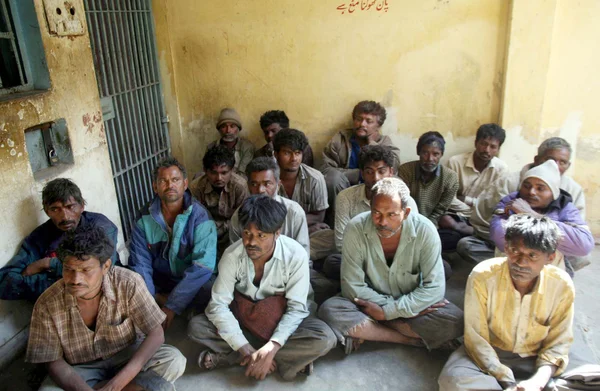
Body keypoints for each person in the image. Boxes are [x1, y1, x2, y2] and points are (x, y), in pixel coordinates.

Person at [188, 195, 336, 380]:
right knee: (197, 327)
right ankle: (278, 359)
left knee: (324, 337)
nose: (251, 242)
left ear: (277, 232)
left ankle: (232, 358)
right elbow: (218, 305)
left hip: (282, 321)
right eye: (247, 233)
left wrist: (272, 347)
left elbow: (297, 309)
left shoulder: (295, 255)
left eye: (261, 235)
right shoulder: (232, 256)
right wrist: (245, 348)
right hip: (246, 320)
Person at [439, 214, 589, 391]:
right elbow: (476, 337)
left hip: (539, 356)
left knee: (591, 378)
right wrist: (507, 380)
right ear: (506, 248)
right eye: (514, 251)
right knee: (455, 381)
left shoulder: (561, 284)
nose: (521, 262)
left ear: (550, 257)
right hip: (491, 354)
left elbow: (559, 342)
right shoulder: (483, 276)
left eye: (532, 255)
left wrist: (538, 381)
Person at [27, 226, 186, 391]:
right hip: (81, 368)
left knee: (173, 360)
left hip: (126, 354)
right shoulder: (47, 303)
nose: (75, 279)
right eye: (69, 269)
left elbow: (156, 333)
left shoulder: (128, 282)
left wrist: (116, 384)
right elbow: (53, 361)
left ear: (105, 266)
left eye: (85, 270)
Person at [318, 178, 463, 354]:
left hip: (395, 302)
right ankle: (408, 339)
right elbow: (352, 287)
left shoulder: (425, 231)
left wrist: (386, 312)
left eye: (391, 215)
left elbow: (434, 288)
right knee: (330, 310)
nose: (382, 222)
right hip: (375, 301)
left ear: (406, 212)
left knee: (457, 321)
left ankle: (371, 329)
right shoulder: (356, 228)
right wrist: (393, 310)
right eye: (376, 213)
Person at [459, 137, 587, 266]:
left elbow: (580, 238)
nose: (531, 192)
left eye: (562, 162)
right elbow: (495, 227)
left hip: (551, 249)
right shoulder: (510, 184)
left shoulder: (571, 194)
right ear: (537, 159)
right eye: (550, 160)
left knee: (581, 256)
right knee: (468, 246)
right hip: (510, 247)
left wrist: (532, 215)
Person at [129, 157, 217, 330]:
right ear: (155, 187)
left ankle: (177, 306)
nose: (170, 186)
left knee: (210, 287)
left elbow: (202, 267)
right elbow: (141, 264)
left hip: (190, 281)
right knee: (132, 278)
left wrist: (170, 306)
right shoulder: (144, 218)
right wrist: (150, 302)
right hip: (161, 280)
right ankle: (167, 303)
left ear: (185, 184)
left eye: (175, 180)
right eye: (163, 181)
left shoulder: (200, 217)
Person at [0, 178, 119, 301]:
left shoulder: (101, 226)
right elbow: (5, 283)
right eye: (55, 209)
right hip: (57, 304)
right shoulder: (40, 236)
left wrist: (46, 264)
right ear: (47, 211)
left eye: (70, 207)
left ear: (82, 205)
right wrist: (59, 281)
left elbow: (103, 269)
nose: (65, 216)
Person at [322, 145, 419, 280]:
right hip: (360, 259)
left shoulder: (406, 201)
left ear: (391, 172)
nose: (376, 178)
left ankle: (368, 283)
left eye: (381, 171)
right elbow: (341, 243)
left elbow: (413, 241)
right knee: (333, 262)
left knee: (441, 266)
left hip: (397, 260)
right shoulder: (346, 197)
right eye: (369, 172)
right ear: (362, 173)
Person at [489, 160, 593, 276]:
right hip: (514, 266)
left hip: (551, 271)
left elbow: (584, 245)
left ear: (553, 193)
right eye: (526, 186)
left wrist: (531, 215)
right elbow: (499, 236)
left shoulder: (564, 206)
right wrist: (552, 240)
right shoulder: (511, 202)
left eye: (540, 188)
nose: (531, 192)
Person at [321, 100, 401, 222]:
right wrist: (358, 174)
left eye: (369, 121)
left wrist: (373, 145)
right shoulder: (340, 140)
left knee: (397, 181)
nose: (362, 124)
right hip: (344, 190)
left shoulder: (385, 142)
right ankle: (337, 221)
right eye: (359, 119)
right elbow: (326, 169)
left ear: (378, 126)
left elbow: (393, 168)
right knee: (333, 178)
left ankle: (382, 221)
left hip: (373, 191)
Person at [438, 124, 508, 250]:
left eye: (492, 147)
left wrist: (467, 200)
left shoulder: (501, 170)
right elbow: (448, 199)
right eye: (483, 144)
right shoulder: (455, 162)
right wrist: (476, 209)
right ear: (476, 143)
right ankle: (468, 232)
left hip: (483, 220)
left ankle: (470, 232)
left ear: (498, 149)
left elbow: (494, 204)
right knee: (445, 234)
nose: (486, 150)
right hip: (456, 214)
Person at [229, 157, 309, 256]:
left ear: (278, 185)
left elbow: (303, 254)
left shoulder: (294, 212)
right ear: (248, 185)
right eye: (254, 184)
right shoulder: (239, 215)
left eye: (267, 184)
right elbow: (236, 254)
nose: (260, 190)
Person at [397, 131, 459, 252]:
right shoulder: (406, 171)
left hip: (430, 224)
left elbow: (439, 211)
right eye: (425, 153)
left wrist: (426, 229)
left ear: (441, 155)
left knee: (454, 238)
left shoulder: (450, 178)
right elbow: (401, 204)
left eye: (435, 154)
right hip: (406, 223)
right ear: (418, 152)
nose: (430, 159)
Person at [191, 145, 248, 256]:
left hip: (233, 231)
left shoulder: (240, 186)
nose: (219, 178)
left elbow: (243, 219)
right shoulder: (196, 187)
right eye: (213, 173)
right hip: (206, 231)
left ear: (232, 170)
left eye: (224, 173)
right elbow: (194, 218)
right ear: (205, 171)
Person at [206, 108, 255, 176]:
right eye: (223, 126)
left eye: (232, 126)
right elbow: (209, 171)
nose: (228, 130)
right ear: (219, 129)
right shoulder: (211, 147)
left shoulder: (247, 147)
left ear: (238, 129)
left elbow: (243, 173)